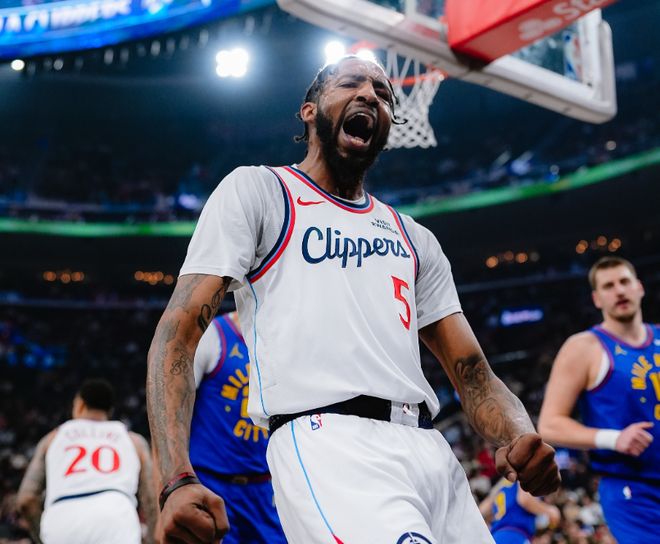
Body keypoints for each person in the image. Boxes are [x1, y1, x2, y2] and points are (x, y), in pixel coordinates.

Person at [146, 55, 560, 544]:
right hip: (328, 442)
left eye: (383, 94)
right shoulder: (260, 191)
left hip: (431, 450)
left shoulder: (415, 238)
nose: (370, 94)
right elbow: (177, 336)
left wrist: (518, 433)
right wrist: (175, 478)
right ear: (309, 111)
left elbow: (473, 373)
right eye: (350, 83)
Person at [538, 256, 659, 544]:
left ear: (639, 287)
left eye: (625, 282)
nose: (619, 290)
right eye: (608, 286)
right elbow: (549, 425)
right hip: (633, 490)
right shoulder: (584, 348)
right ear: (596, 298)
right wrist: (614, 439)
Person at [16, 378, 157, 544]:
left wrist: (42, 537)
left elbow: (26, 499)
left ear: (80, 404)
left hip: (61, 521)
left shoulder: (52, 438)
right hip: (115, 519)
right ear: (110, 410)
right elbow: (151, 499)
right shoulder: (133, 440)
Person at [190, 311, 286, 543]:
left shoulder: (286, 340)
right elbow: (176, 407)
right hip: (212, 484)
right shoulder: (212, 334)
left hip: (266, 488)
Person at [479, 478, 561, 544]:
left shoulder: (505, 481)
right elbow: (524, 500)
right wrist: (550, 511)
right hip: (514, 536)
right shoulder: (528, 471)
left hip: (496, 535)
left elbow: (482, 508)